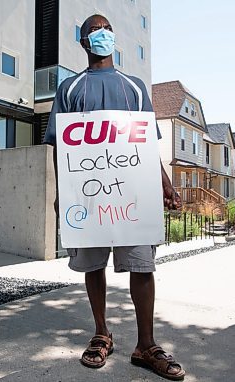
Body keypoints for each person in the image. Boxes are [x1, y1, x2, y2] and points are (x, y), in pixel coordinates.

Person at [44, 15, 185, 381]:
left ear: (113, 37)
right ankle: (101, 332)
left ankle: (146, 344)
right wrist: (64, 193)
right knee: (93, 264)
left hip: (132, 196)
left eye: (105, 28)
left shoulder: (135, 87)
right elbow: (62, 147)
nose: (100, 34)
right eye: (93, 30)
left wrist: (165, 184)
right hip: (89, 195)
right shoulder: (70, 88)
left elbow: (144, 146)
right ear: (83, 42)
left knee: (142, 265)